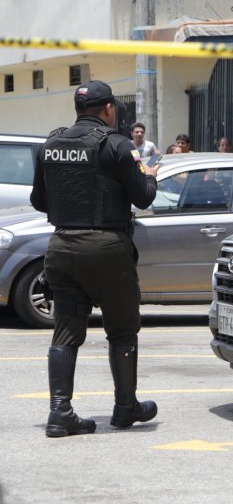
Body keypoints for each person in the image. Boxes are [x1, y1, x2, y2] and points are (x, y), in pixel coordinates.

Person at [30, 80, 160, 438]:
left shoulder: (51, 144)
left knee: (66, 332)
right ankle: (125, 407)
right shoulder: (117, 145)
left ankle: (60, 412)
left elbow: (39, 202)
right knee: (122, 329)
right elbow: (144, 197)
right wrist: (149, 176)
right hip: (106, 249)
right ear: (108, 110)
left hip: (61, 247)